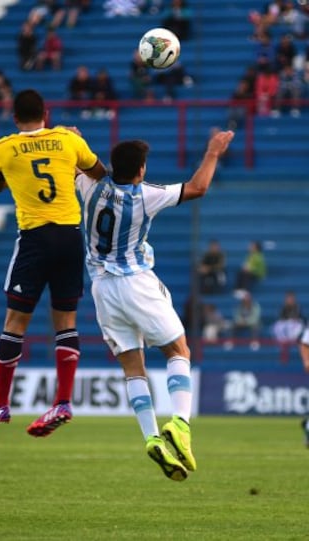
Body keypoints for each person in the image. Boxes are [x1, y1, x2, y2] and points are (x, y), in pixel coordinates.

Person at [76, 129, 234, 480]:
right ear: (142, 170)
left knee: (133, 366)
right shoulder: (145, 196)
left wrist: (78, 141)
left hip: (101, 288)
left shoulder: (89, 188)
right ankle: (180, 424)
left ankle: (150, 437)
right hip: (135, 282)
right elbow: (198, 188)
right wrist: (212, 152)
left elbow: (84, 166)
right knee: (178, 350)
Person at [0, 89, 106, 436]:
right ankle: (64, 400)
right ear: (46, 114)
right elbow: (99, 172)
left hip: (35, 240)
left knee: (15, 322)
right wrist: (72, 149)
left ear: (14, 117)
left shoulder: (2, 148)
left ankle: (1, 405)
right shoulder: (67, 140)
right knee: (66, 321)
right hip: (69, 237)